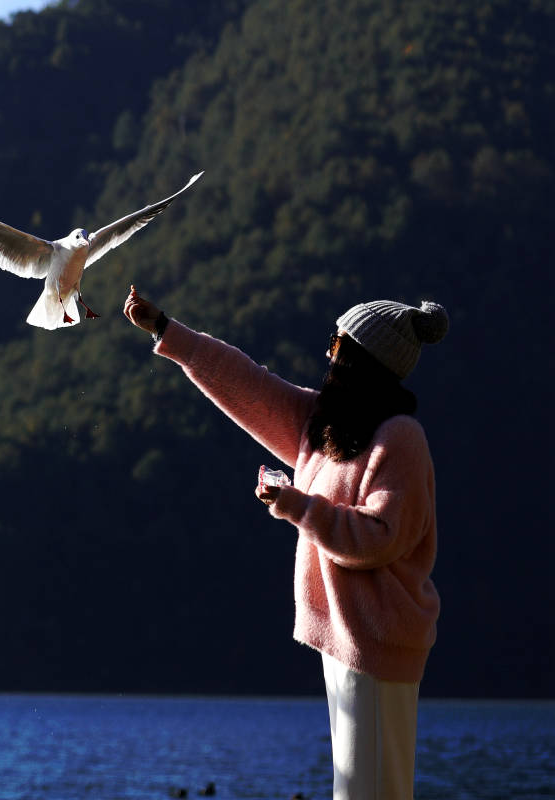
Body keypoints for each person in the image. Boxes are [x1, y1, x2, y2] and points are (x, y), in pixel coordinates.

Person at [124, 285, 449, 800]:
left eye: (338, 345)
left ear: (365, 360)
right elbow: (247, 385)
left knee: (370, 788)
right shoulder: (328, 424)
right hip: (348, 636)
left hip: (380, 639)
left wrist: (297, 505)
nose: (328, 354)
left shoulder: (400, 438)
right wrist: (166, 329)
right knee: (362, 786)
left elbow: (379, 537)